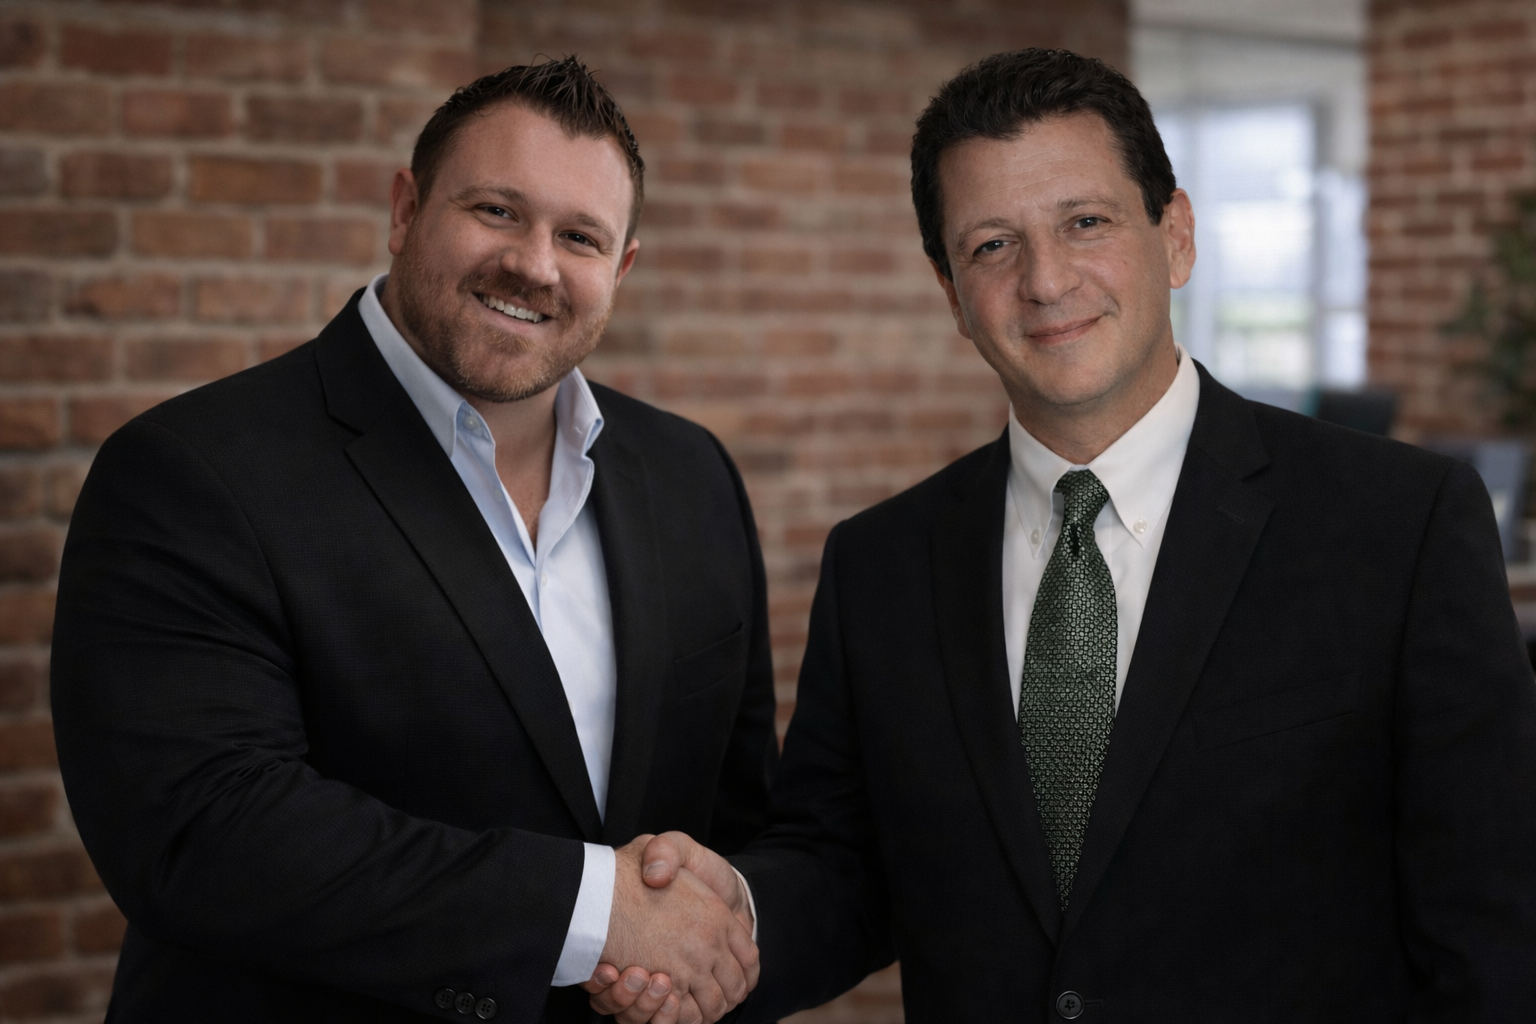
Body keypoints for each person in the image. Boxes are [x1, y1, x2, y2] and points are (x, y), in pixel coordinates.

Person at [588, 47, 1536, 1023]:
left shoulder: (1401, 525)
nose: (1045, 280)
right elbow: (848, 869)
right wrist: (712, 929)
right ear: (950, 290)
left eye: (1085, 222)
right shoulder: (881, 564)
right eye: (992, 244)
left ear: (1175, 235)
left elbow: (1495, 931)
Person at [51, 57, 773, 1024]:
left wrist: (704, 937)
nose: (535, 263)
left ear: (622, 269)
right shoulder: (190, 472)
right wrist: (593, 911)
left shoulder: (694, 477)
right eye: (496, 211)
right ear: (405, 210)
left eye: (580, 236)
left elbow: (735, 817)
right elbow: (201, 833)